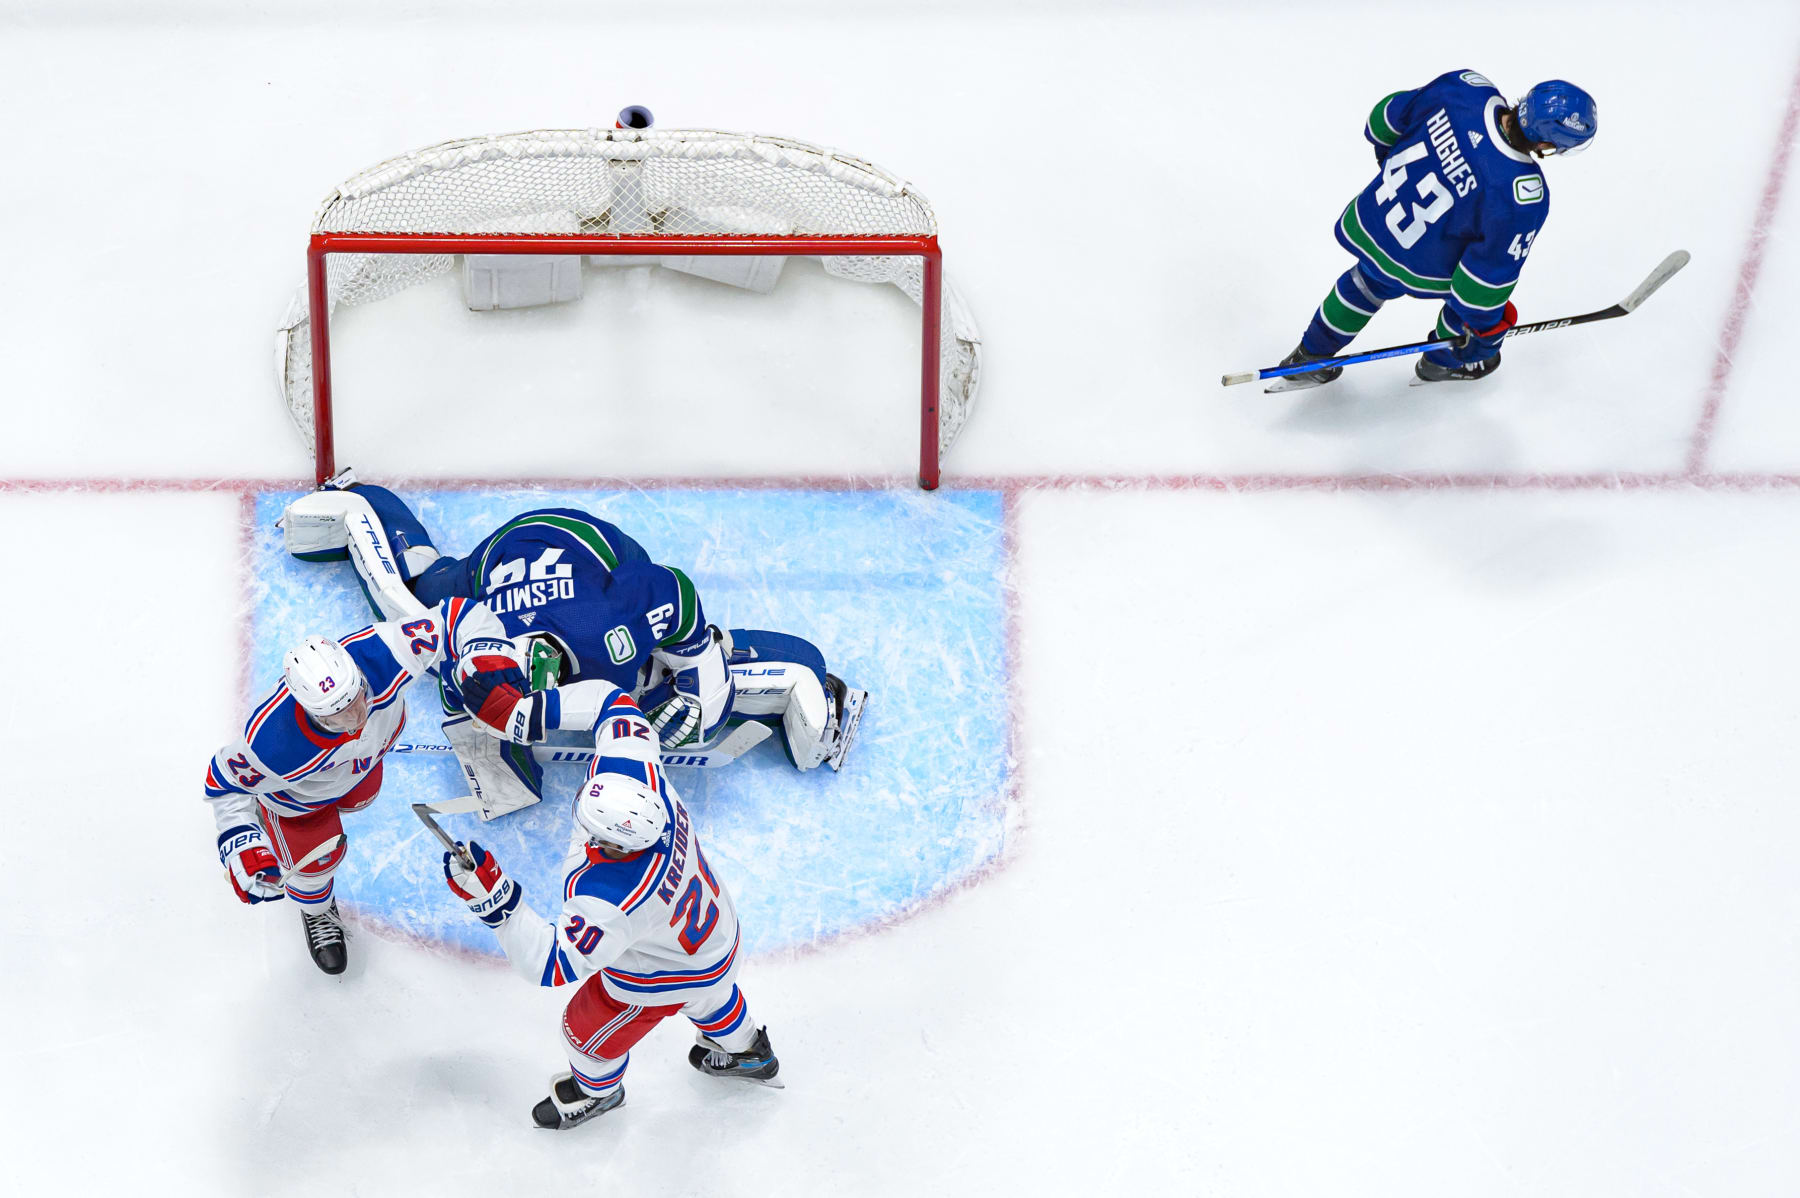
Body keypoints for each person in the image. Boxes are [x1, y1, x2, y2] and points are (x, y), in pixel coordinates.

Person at [279, 475, 867, 819]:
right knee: (412, 590)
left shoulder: (614, 620)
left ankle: (804, 679)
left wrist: (696, 681)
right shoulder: (467, 637)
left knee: (668, 691)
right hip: (496, 558)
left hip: (595, 551)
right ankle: (358, 500)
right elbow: (404, 613)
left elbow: (677, 593)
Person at [440, 685, 780, 1130]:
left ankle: (598, 1093)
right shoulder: (640, 773)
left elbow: (548, 964)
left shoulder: (613, 898)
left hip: (662, 973)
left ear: (612, 841)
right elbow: (613, 703)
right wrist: (530, 708)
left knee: (584, 1036)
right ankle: (749, 1050)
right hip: (717, 938)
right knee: (712, 996)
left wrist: (495, 901)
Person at [203, 596, 599, 973]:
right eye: (338, 717)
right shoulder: (272, 742)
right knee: (315, 865)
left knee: (363, 797)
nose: (357, 717)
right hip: (299, 802)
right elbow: (222, 782)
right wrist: (241, 839)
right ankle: (316, 908)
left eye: (358, 697)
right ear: (309, 711)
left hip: (360, 770)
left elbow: (459, 616)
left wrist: (488, 660)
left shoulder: (382, 653)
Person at [1277, 71, 1597, 388]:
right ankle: (1440, 363)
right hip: (1422, 262)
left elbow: (1382, 121)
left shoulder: (1464, 89)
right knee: (1463, 311)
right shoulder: (1521, 193)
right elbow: (1481, 286)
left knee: (1366, 282)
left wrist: (1391, 166)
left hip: (1378, 219)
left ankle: (1308, 355)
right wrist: (1482, 339)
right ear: (1544, 143)